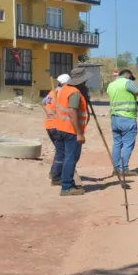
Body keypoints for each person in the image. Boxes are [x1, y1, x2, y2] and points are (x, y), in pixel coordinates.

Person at [44, 67, 91, 196]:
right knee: (71, 157)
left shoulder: (63, 89)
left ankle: (60, 179)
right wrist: (79, 133)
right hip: (70, 130)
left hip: (60, 128)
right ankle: (66, 186)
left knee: (64, 156)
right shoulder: (74, 93)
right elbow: (72, 111)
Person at [106, 68, 138, 178]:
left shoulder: (111, 85)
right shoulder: (128, 83)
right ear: (128, 75)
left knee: (117, 144)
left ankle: (116, 168)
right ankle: (123, 169)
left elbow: (129, 100)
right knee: (128, 144)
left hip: (115, 118)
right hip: (127, 118)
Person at [43, 73, 70, 186]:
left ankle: (53, 171)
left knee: (59, 150)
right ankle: (56, 177)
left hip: (49, 125)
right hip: (56, 126)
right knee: (62, 152)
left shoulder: (52, 92)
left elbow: (43, 102)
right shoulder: (61, 93)